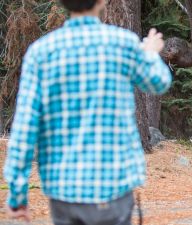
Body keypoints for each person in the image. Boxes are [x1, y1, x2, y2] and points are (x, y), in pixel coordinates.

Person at [3, 0, 172, 224]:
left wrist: (17, 194)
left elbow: (25, 130)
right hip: (114, 186)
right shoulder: (123, 44)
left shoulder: (41, 53)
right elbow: (159, 83)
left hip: (64, 189)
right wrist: (151, 53)